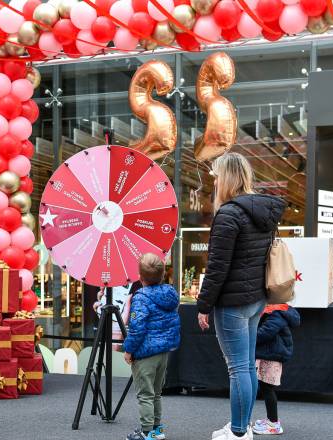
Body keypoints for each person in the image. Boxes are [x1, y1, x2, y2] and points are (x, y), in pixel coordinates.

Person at [197, 152, 286, 440]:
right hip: (256, 299)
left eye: (217, 176)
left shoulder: (229, 214)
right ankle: (242, 426)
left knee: (238, 369)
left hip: (233, 303)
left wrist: (203, 305)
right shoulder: (264, 212)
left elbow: (217, 268)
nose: (214, 181)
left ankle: (237, 431)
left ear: (227, 177)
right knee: (246, 367)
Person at [123, 254, 181, 440]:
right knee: (156, 393)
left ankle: (146, 432)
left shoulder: (141, 298)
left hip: (145, 354)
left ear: (140, 277)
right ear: (163, 274)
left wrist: (129, 350)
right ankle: (156, 429)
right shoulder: (170, 294)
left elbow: (136, 329)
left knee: (145, 394)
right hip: (163, 352)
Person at [252, 304, 300, 435]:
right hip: (267, 354)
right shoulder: (275, 310)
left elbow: (266, 332)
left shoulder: (276, 312)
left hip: (272, 355)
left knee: (268, 387)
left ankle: (274, 424)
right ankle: (270, 420)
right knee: (265, 386)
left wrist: (249, 336)